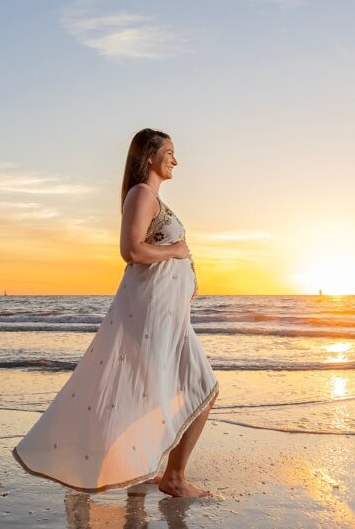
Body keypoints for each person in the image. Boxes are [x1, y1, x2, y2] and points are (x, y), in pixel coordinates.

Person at [12, 128, 220, 498]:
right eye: (170, 152)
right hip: (152, 316)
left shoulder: (152, 198)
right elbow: (132, 251)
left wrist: (186, 277)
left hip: (165, 315)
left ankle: (140, 469)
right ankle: (173, 477)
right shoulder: (141, 193)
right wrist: (175, 254)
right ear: (150, 156)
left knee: (150, 391)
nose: (176, 160)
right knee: (202, 386)